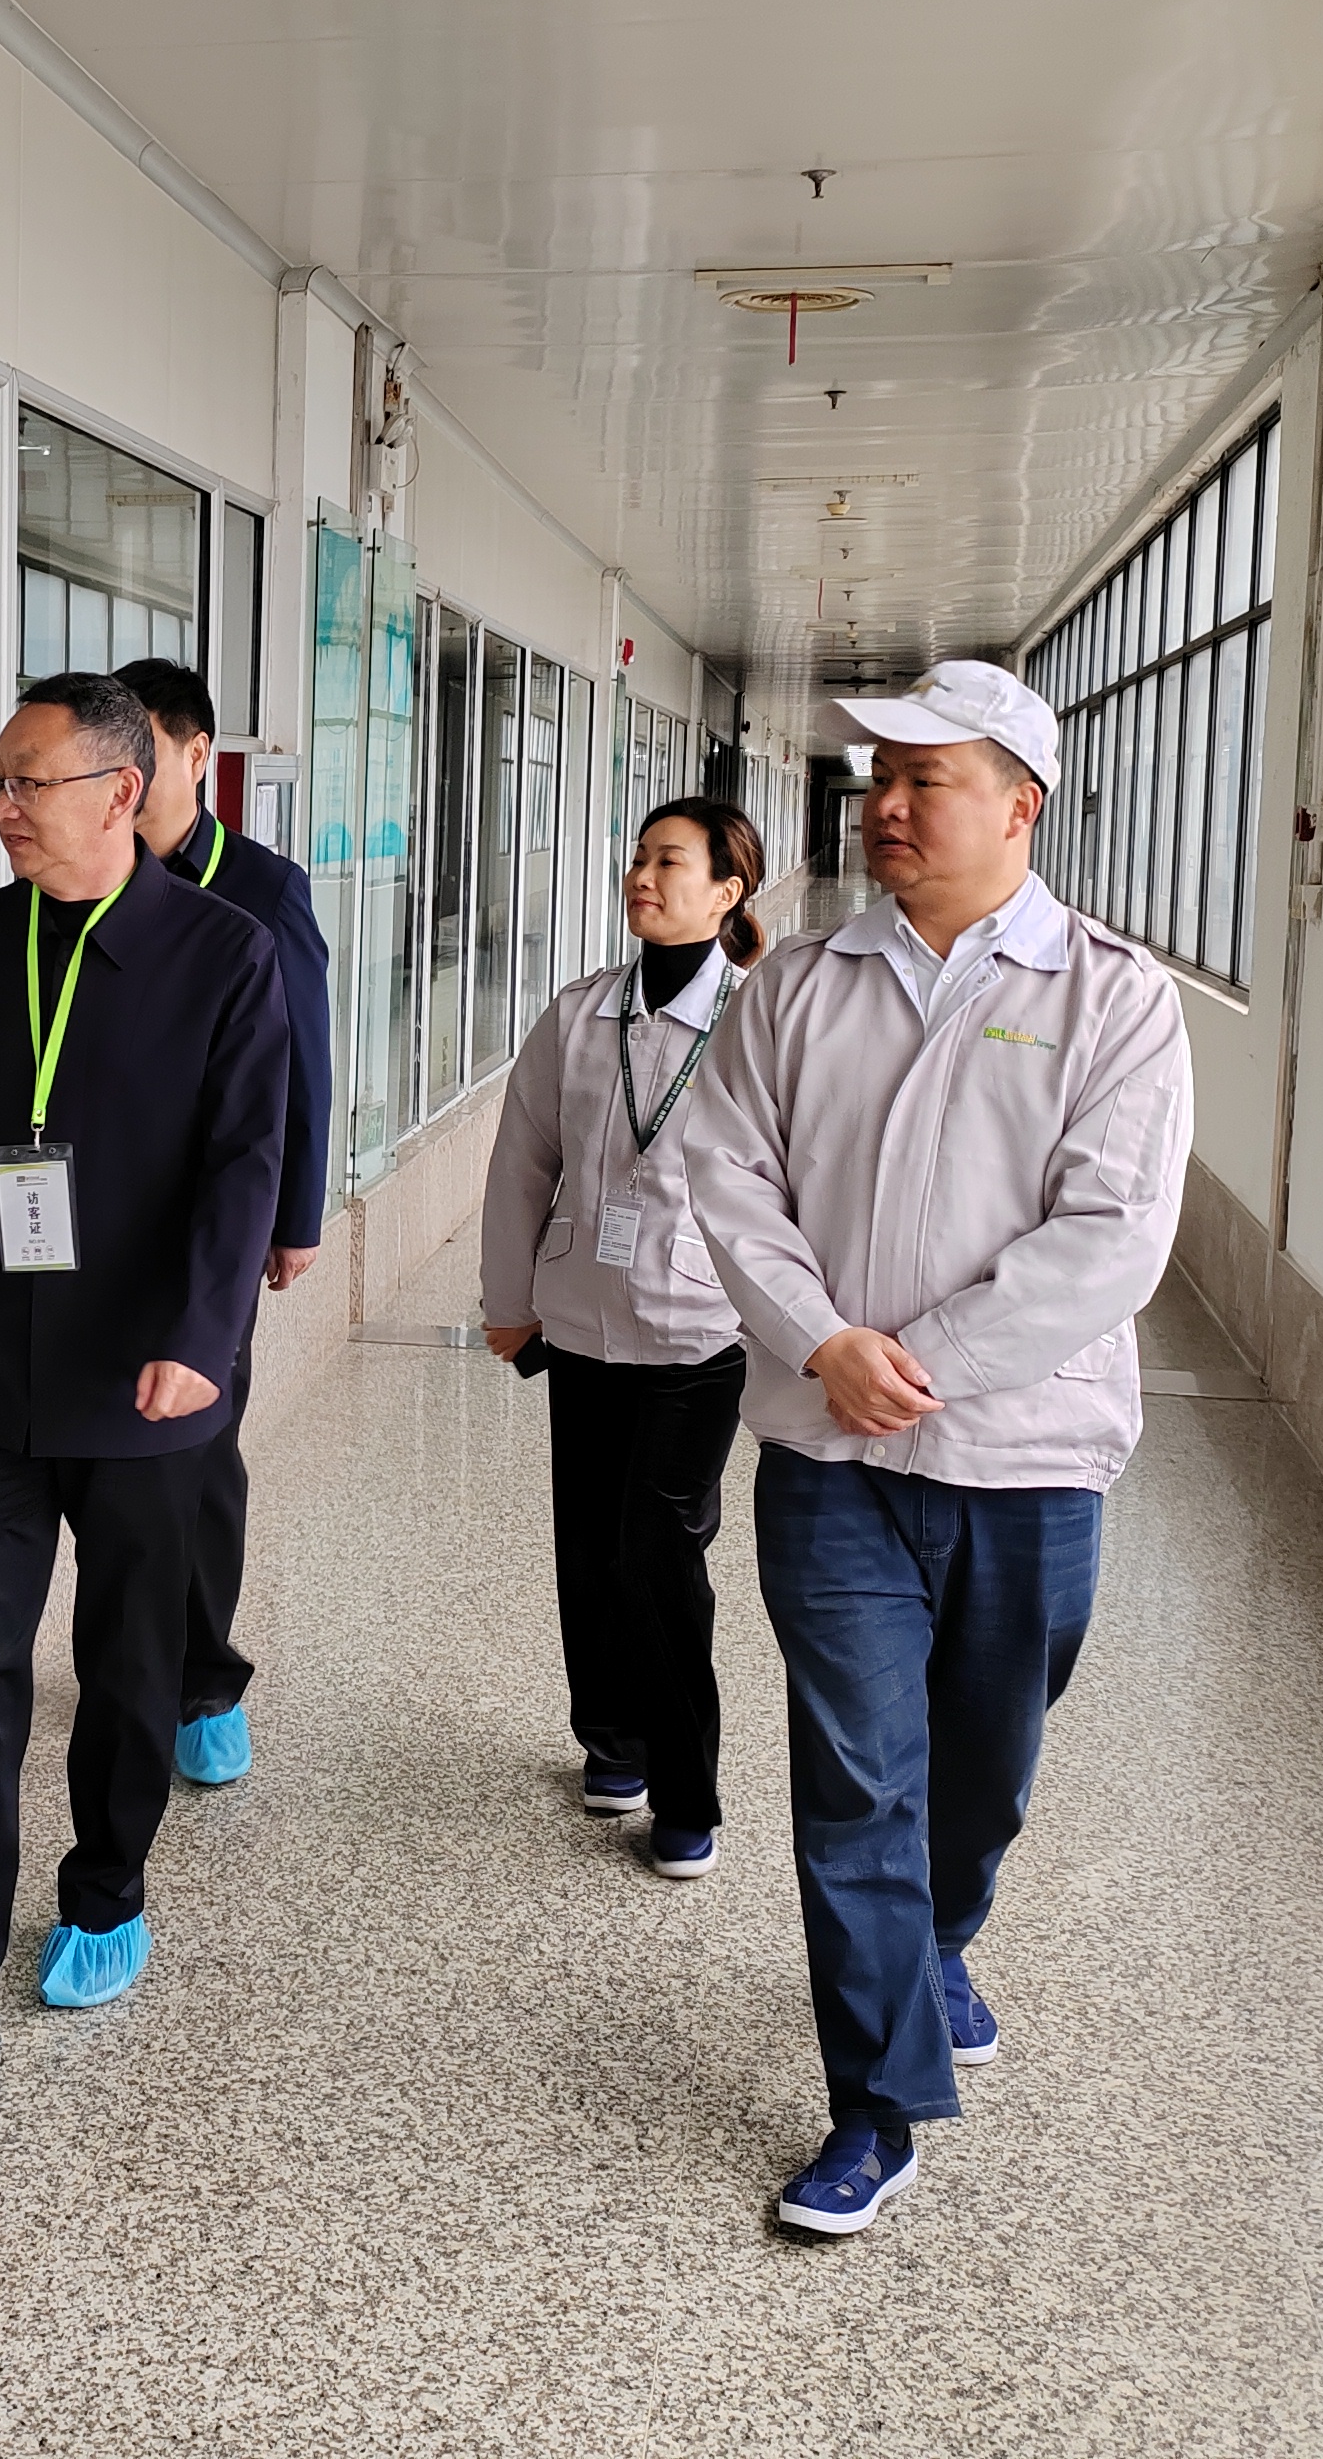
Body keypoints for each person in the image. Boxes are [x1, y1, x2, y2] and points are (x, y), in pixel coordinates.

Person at [679, 660, 1189, 2236]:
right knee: (855, 1786)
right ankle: (876, 2104)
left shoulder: (1113, 998)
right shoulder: (800, 987)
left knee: (983, 1778)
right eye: (880, 779)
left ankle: (940, 1938)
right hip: (830, 1460)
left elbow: (1113, 1236)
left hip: (1027, 1460)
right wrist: (823, 1343)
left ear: (1020, 805)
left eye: (927, 780)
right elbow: (726, 1171)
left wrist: (927, 1368)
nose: (887, 806)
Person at [0, 671, 291, 2096]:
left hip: (147, 1380)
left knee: (127, 1659)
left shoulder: (224, 952)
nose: (3, 808)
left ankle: (105, 1890)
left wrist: (201, 1341)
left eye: (27, 783)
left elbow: (246, 1167)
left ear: (122, 791)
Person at [478, 798, 766, 1881]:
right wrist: (509, 1300)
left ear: (728, 890)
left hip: (701, 1329)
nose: (642, 875)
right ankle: (610, 1742)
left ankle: (687, 1791)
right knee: (590, 1548)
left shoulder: (754, 1020)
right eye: (639, 856)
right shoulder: (580, 1013)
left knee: (659, 1554)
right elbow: (523, 1163)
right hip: (582, 1316)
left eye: (669, 861)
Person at [111, 654, 330, 1790]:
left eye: (144, 750)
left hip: (214, 1219)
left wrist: (295, 1216)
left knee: (198, 1446)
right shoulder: (77, 882)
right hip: (90, 1218)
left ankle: (204, 1679)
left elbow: (305, 1064)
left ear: (198, 754)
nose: (122, 773)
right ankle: (127, 1650)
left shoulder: (262, 888)